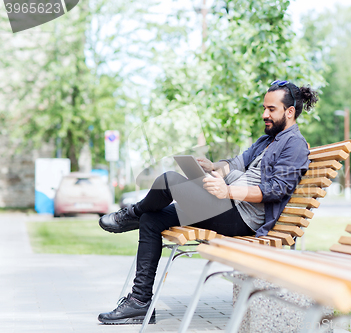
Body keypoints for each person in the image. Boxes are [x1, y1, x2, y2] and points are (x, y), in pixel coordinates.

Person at [97, 80, 319, 324]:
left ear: (289, 112)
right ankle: (139, 303)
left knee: (170, 180)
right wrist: (214, 167)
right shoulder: (267, 141)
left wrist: (228, 192)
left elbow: (277, 190)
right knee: (152, 219)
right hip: (227, 205)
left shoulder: (295, 145)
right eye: (264, 108)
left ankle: (130, 215)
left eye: (271, 109)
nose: (264, 114)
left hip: (242, 217)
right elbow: (235, 163)